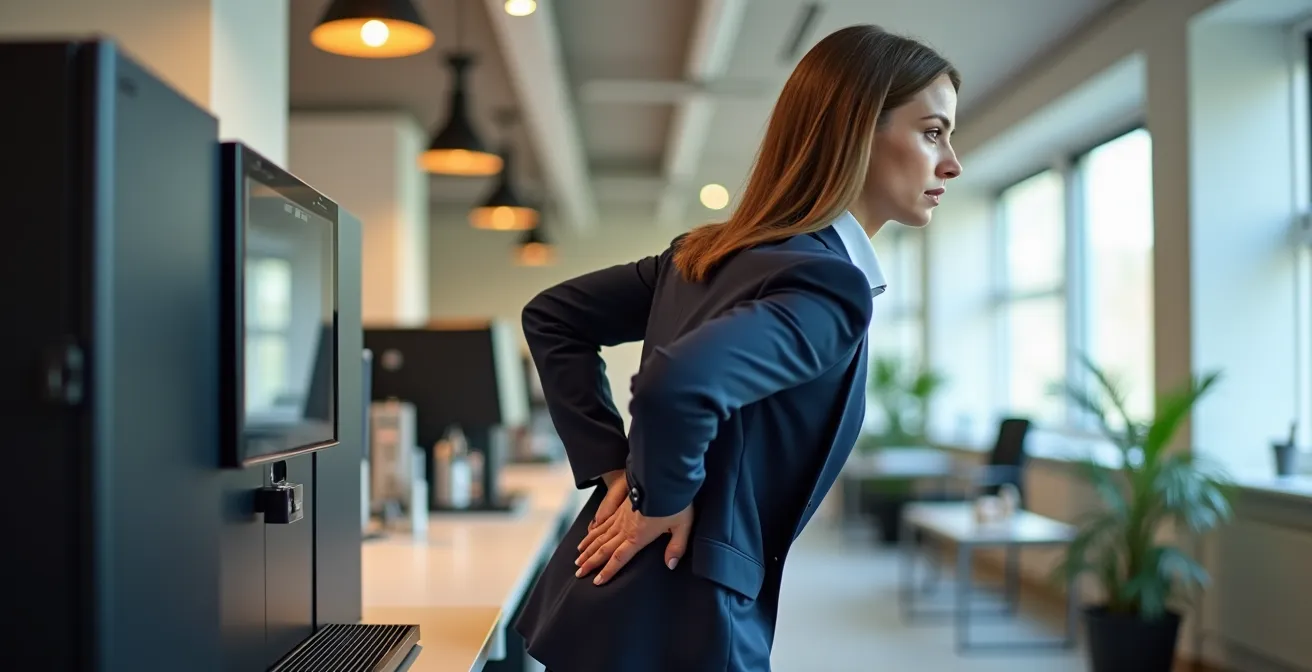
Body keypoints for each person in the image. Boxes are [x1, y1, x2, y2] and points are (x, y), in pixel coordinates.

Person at [514, 24, 963, 672]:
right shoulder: (830, 283)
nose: (952, 161)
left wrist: (617, 468)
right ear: (859, 130)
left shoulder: (707, 252)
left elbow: (551, 316)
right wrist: (656, 498)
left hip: (606, 605)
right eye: (932, 131)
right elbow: (678, 384)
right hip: (687, 625)